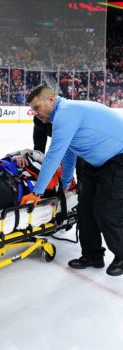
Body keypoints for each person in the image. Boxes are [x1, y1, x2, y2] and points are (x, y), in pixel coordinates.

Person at [22, 84, 123, 276]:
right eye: (32, 109)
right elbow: (69, 154)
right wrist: (66, 183)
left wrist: (37, 192)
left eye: (37, 107)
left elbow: (53, 156)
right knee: (85, 210)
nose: (35, 113)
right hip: (96, 163)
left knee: (106, 211)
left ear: (50, 100)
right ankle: (93, 255)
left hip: (118, 160)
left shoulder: (65, 114)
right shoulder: (63, 115)